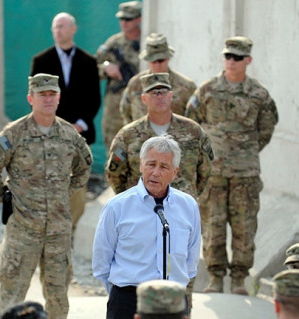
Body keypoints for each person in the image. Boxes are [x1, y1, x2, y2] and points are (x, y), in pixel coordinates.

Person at [0, 73, 92, 319]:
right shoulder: (14, 134)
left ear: (59, 98)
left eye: (52, 94)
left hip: (58, 234)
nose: (48, 99)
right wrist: (7, 198)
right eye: (42, 95)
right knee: (12, 298)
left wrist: (64, 193)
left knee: (58, 300)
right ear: (31, 98)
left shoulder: (69, 135)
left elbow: (84, 167)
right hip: (23, 232)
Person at [105, 73, 213, 312]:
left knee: (181, 288)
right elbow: (115, 173)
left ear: (172, 96)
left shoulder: (193, 131)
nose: (160, 97)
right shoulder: (128, 135)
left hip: (179, 216)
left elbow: (205, 170)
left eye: (164, 92)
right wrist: (134, 202)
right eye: (154, 93)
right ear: (144, 98)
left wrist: (189, 198)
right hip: (139, 218)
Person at [185, 36, 279, 294]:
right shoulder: (206, 90)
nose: (231, 61)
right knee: (213, 226)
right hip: (213, 174)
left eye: (237, 57)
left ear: (248, 60)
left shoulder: (258, 94)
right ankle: (215, 278)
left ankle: (239, 279)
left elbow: (267, 128)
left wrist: (244, 150)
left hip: (245, 174)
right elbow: (192, 124)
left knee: (244, 227)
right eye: (228, 56)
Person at [93, 135, 202, 319]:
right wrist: (122, 294)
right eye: (151, 164)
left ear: (175, 172)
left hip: (173, 302)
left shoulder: (188, 206)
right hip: (127, 302)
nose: (155, 172)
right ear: (141, 165)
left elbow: (191, 262)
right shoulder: (117, 207)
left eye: (164, 167)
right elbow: (101, 262)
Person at [29, 12, 101, 232]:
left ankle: (72, 229)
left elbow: (94, 97)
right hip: (49, 133)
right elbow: (37, 98)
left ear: (73, 29)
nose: (58, 31)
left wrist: (80, 123)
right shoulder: (41, 61)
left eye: (62, 26)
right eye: (55, 27)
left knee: (77, 185)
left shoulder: (89, 62)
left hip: (79, 133)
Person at [120, 33, 196, 124]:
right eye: (153, 61)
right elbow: (126, 113)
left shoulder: (186, 86)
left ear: (168, 58)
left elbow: (194, 118)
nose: (157, 65)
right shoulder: (135, 84)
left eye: (161, 60)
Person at [96, 1, 142, 151]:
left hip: (139, 106)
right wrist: (105, 67)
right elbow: (92, 69)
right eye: (121, 19)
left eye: (128, 19)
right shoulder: (113, 44)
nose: (124, 23)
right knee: (114, 150)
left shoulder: (147, 43)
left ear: (138, 19)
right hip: (115, 109)